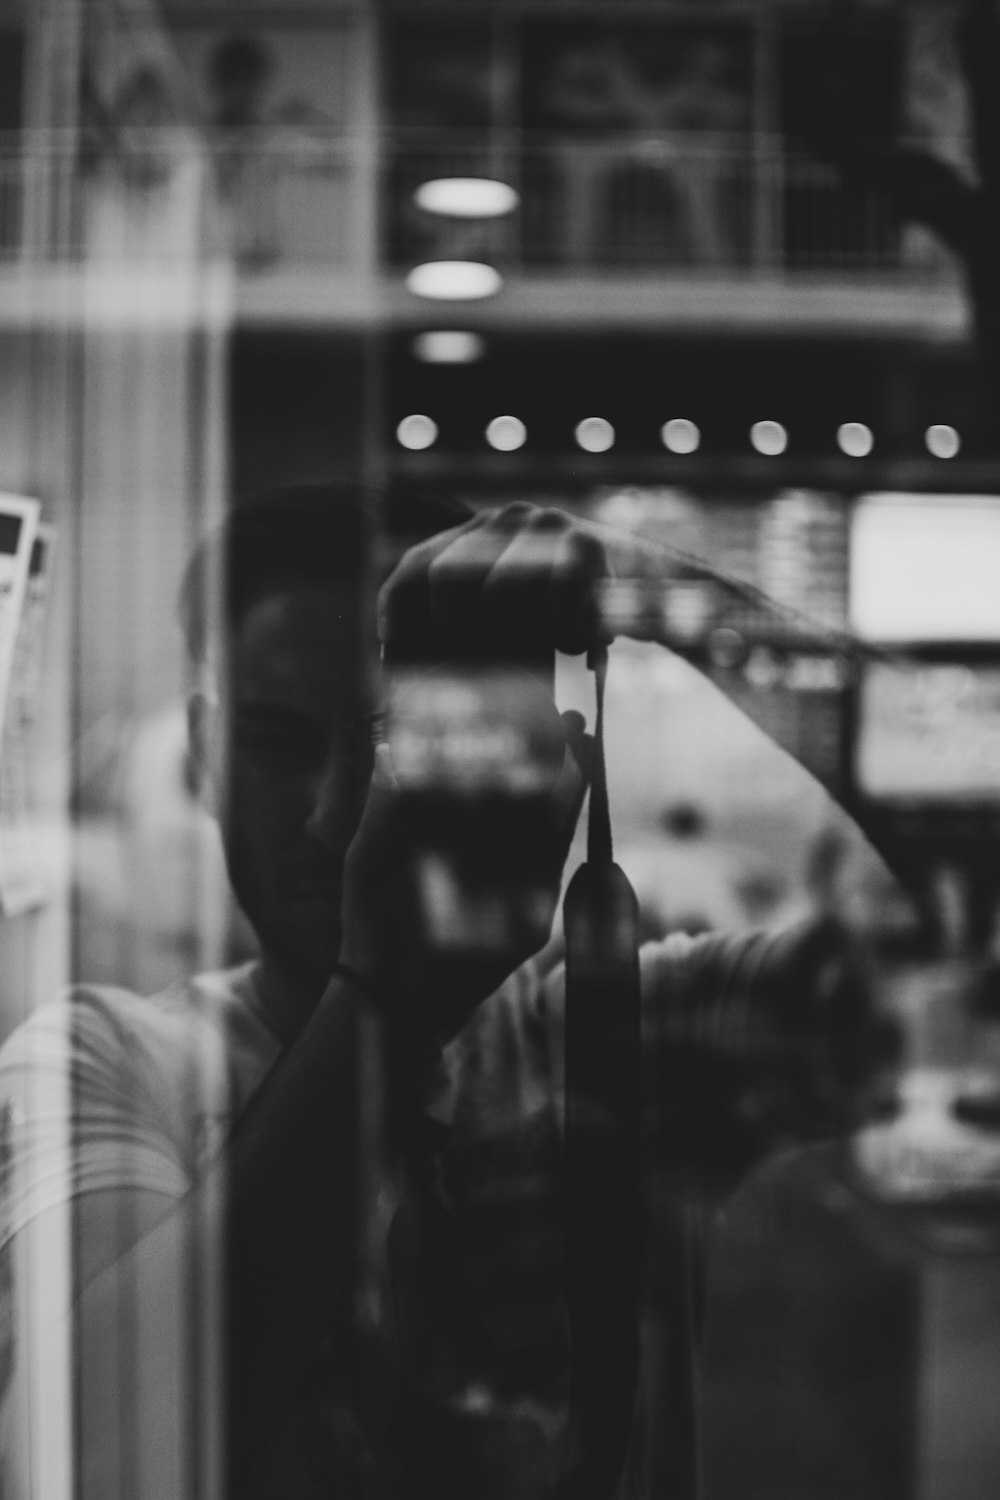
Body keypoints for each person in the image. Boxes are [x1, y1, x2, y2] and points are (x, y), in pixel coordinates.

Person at [0, 484, 897, 1500]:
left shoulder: (616, 1030)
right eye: (277, 741)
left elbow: (960, 952)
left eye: (391, 740)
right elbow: (94, 1464)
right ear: (204, 756)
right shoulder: (102, 1065)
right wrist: (385, 991)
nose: (333, 811)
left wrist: (662, 604)